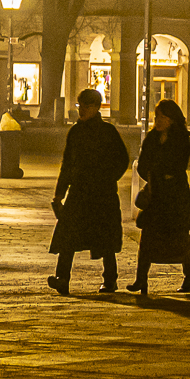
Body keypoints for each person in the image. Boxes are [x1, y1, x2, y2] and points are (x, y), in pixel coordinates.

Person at [47, 89, 129, 296]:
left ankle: (110, 279)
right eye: (79, 106)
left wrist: (108, 178)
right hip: (80, 192)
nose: (81, 110)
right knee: (68, 235)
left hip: (102, 194)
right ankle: (62, 278)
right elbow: (67, 164)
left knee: (104, 238)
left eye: (85, 106)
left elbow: (122, 160)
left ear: (96, 108)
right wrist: (59, 193)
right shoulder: (75, 132)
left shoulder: (108, 132)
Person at [128, 97, 190, 296]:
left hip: (175, 195)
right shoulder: (151, 138)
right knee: (148, 236)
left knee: (180, 236)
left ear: (172, 119)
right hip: (156, 193)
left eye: (162, 117)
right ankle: (141, 279)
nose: (157, 121)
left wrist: (162, 172)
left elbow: (179, 164)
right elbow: (143, 163)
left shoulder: (180, 138)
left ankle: (189, 277)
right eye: (156, 117)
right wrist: (152, 174)